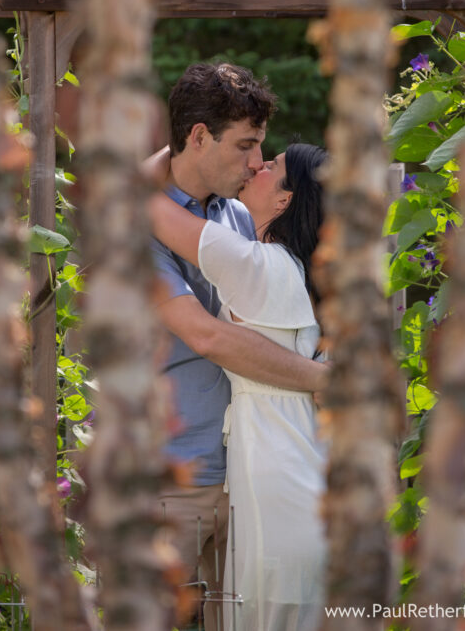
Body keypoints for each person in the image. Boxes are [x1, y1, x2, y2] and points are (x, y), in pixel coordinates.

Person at [148, 64, 328, 631]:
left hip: (249, 481)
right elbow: (207, 334)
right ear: (198, 136)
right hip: (177, 478)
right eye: (247, 145)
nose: (256, 162)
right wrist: (321, 378)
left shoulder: (241, 218)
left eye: (264, 153)